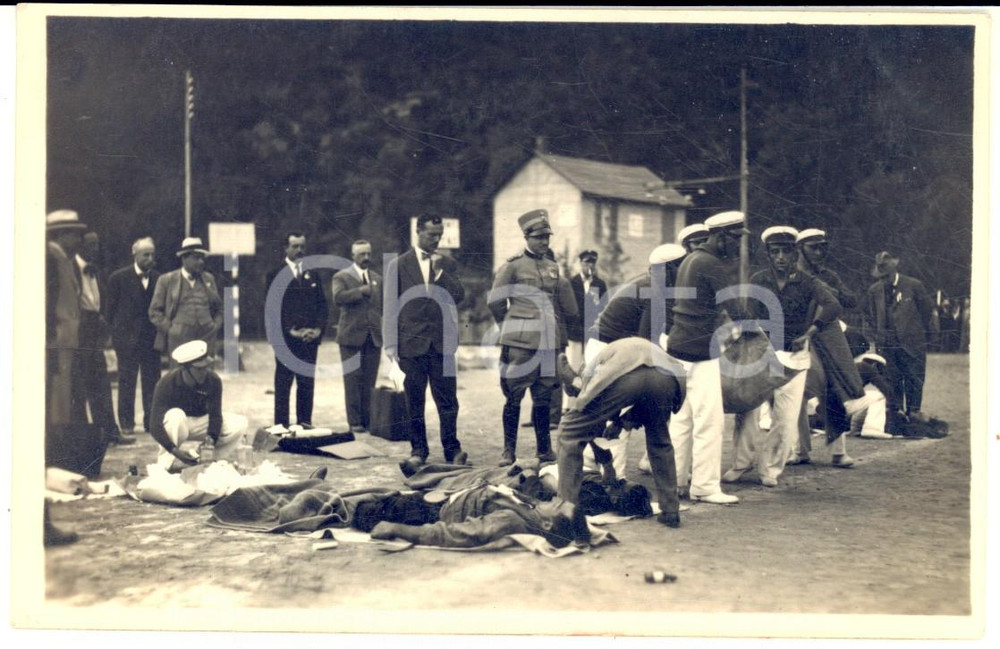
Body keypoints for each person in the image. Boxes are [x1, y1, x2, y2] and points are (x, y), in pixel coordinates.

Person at [723, 226, 840, 487]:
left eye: (785, 251)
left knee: (785, 418)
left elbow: (833, 304)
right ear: (768, 254)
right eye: (774, 252)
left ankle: (771, 469)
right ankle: (741, 463)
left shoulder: (808, 282)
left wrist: (811, 331)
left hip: (794, 357)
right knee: (747, 409)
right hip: (762, 355)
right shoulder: (759, 279)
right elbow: (748, 314)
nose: (780, 257)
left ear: (795, 252)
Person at [556, 337, 686, 536]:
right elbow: (645, 396)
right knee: (659, 440)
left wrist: (607, 463)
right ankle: (670, 510)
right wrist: (620, 423)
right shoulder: (615, 351)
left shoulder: (591, 369)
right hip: (667, 378)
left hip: (629, 376)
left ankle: (567, 514)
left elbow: (588, 425)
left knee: (568, 432)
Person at [665, 210, 752, 505]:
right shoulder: (712, 263)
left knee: (681, 420)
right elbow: (736, 308)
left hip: (677, 348)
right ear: (721, 237)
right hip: (700, 353)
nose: (738, 245)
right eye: (736, 239)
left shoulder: (690, 259)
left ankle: (675, 480)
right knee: (709, 423)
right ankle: (704, 487)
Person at [489, 209, 578, 466]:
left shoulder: (552, 267)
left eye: (547, 237)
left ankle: (544, 449)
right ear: (526, 237)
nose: (544, 242)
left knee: (544, 397)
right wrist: (510, 324)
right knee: (514, 395)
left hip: (548, 343)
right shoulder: (512, 265)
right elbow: (496, 300)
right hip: (520, 344)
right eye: (539, 237)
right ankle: (508, 451)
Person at [588, 243, 686, 477]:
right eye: (680, 267)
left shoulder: (653, 284)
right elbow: (644, 343)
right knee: (620, 411)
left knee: (604, 411)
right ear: (670, 268)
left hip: (609, 347)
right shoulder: (654, 290)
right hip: (609, 349)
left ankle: (591, 463)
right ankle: (615, 481)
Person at [383, 213, 468, 469]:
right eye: (431, 234)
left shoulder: (447, 263)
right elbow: (389, 307)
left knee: (448, 400)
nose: (436, 239)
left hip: (442, 343)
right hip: (410, 344)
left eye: (439, 235)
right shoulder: (397, 265)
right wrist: (391, 346)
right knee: (414, 400)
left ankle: (452, 449)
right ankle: (418, 450)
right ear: (418, 232)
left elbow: (459, 295)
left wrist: (441, 273)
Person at [70, 231, 134, 445]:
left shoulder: (95, 270)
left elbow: (100, 301)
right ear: (81, 246)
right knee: (79, 386)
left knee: (101, 382)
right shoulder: (70, 267)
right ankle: (84, 438)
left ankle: (109, 432)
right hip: (77, 331)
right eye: (91, 244)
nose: (95, 249)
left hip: (93, 328)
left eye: (97, 245)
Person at [148, 340, 248, 471]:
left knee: (240, 423)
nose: (205, 371)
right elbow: (154, 425)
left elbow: (215, 416)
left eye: (206, 366)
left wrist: (210, 439)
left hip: (201, 422)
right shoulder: (166, 383)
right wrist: (175, 451)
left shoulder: (213, 380)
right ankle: (168, 463)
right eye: (199, 368)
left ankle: (208, 459)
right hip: (179, 424)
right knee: (175, 415)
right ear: (185, 368)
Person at [865, 251, 935, 423]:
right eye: (881, 276)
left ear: (894, 271)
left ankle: (914, 411)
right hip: (887, 344)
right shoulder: (874, 291)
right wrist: (879, 336)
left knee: (914, 377)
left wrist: (917, 333)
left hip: (912, 342)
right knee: (891, 378)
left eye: (886, 276)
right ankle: (895, 412)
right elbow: (870, 316)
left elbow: (926, 311)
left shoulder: (913, 285)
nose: (884, 280)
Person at [265, 233, 327, 428]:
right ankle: (281, 426)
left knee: (307, 383)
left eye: (302, 246)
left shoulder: (313, 274)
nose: (299, 250)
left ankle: (304, 423)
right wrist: (288, 332)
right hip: (286, 340)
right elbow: (272, 309)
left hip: (309, 339)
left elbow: (322, 306)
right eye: (295, 246)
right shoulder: (274, 274)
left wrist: (317, 330)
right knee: (283, 383)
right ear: (286, 248)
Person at [106, 237, 161, 436]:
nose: (150, 258)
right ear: (135, 255)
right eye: (146, 254)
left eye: (152, 254)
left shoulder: (159, 279)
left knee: (152, 382)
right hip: (127, 341)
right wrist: (117, 337)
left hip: (151, 340)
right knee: (127, 382)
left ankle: (151, 422)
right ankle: (127, 424)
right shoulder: (118, 278)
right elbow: (109, 312)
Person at [332, 240, 382, 434]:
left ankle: (369, 420)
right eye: (362, 254)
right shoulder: (341, 276)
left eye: (368, 253)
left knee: (370, 380)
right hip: (350, 337)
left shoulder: (378, 278)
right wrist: (361, 291)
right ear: (353, 256)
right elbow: (338, 298)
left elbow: (383, 305)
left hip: (373, 336)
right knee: (352, 380)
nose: (366, 258)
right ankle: (354, 421)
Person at [148, 237, 223, 365]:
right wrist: (171, 329)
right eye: (196, 258)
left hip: (206, 334)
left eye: (202, 258)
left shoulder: (209, 279)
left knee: (205, 374)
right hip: (180, 337)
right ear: (184, 259)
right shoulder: (167, 280)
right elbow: (154, 311)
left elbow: (220, 308)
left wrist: (215, 325)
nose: (200, 262)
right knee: (180, 374)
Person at [46, 210, 86, 429]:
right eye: (74, 234)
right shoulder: (51, 258)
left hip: (67, 339)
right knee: (58, 399)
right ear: (60, 235)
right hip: (58, 338)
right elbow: (49, 301)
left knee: (65, 396)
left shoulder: (63, 259)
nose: (79, 240)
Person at [566, 250, 607, 373]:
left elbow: (604, 307)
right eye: (587, 262)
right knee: (574, 366)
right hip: (575, 332)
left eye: (593, 262)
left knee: (592, 366)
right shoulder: (571, 283)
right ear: (580, 263)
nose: (590, 266)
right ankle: (573, 391)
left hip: (592, 333)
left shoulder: (600, 284)